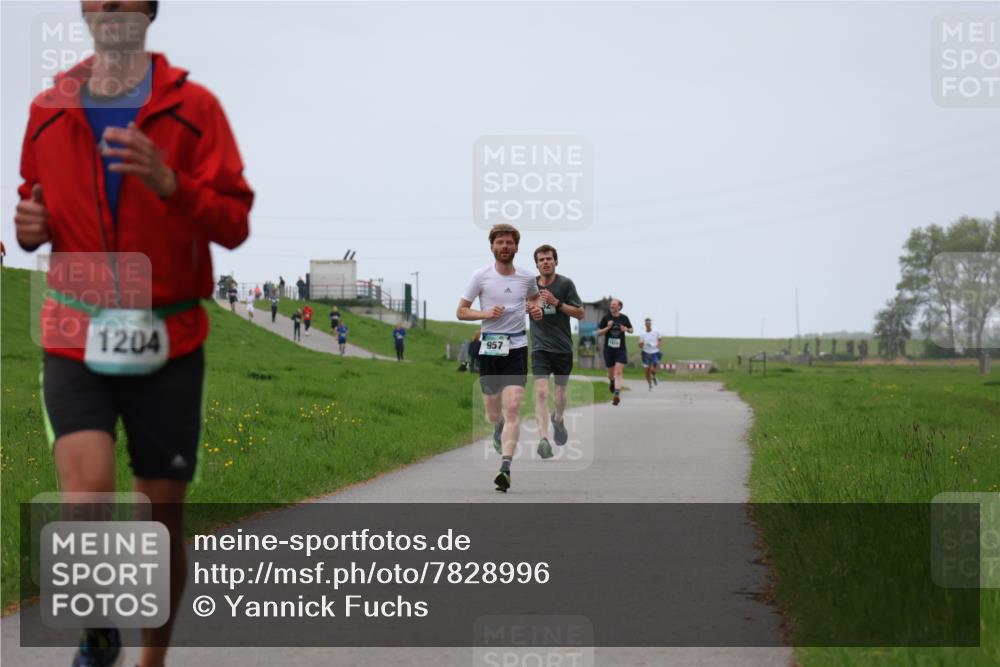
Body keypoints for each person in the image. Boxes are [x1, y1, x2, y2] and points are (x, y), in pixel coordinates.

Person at [13, 2, 254, 666]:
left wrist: (170, 182)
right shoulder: (47, 108)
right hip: (74, 329)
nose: (111, 5)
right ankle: (95, 631)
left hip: (169, 337)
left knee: (158, 519)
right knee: (84, 495)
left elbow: (234, 222)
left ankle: (151, 658)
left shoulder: (195, 108)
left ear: (149, 9)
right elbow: (34, 207)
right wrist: (31, 227)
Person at [457, 224, 543, 492]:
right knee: (494, 412)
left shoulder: (528, 277)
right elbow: (461, 311)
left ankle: (505, 467)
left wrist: (536, 310)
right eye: (500, 242)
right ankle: (498, 427)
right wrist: (485, 315)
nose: (505, 247)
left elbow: (536, 300)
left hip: (517, 347)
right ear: (492, 247)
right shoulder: (480, 276)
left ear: (517, 247)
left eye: (509, 243)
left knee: (514, 406)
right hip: (490, 347)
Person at [529, 245, 583, 459]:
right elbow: (519, 305)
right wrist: (527, 306)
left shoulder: (565, 284)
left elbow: (579, 312)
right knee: (541, 392)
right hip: (539, 347)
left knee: (560, 393)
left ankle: (558, 419)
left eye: (549, 259)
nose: (545, 262)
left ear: (556, 261)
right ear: (537, 264)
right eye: (541, 259)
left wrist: (557, 303)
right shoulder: (529, 285)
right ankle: (543, 439)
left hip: (562, 348)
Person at [598, 299, 633, 406]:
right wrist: (607, 328)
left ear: (619, 307)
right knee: (611, 374)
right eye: (611, 305)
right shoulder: (606, 318)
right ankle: (612, 382)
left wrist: (625, 329)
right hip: (608, 350)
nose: (612, 306)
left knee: (618, 371)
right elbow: (598, 332)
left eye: (614, 305)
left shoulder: (624, 318)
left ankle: (617, 394)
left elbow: (632, 330)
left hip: (620, 350)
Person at [639, 318, 662, 390]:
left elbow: (660, 339)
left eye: (649, 323)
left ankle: (654, 376)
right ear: (645, 324)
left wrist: (659, 345)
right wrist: (640, 344)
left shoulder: (656, 332)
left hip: (655, 352)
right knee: (646, 371)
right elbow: (640, 345)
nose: (648, 324)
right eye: (647, 323)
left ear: (651, 324)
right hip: (645, 353)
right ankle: (650, 385)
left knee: (653, 370)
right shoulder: (642, 334)